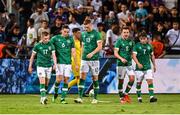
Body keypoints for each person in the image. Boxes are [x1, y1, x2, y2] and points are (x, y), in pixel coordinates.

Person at [74, 19, 102, 104]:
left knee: (95, 78)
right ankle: (80, 97)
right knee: (82, 77)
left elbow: (100, 46)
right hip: (84, 60)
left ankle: (95, 98)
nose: (86, 29)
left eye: (87, 27)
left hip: (94, 60)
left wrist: (92, 53)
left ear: (91, 25)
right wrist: (81, 56)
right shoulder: (83, 34)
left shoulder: (96, 34)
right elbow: (82, 46)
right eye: (85, 27)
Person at [28, 31, 57, 105]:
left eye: (48, 38)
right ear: (41, 38)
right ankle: (43, 97)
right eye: (45, 39)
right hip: (40, 66)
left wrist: (55, 64)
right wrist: (30, 66)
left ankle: (42, 97)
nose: (47, 40)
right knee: (42, 81)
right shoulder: (37, 46)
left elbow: (53, 55)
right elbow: (32, 56)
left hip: (49, 66)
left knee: (47, 83)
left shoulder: (51, 45)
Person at [51, 25, 76, 104]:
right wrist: (53, 62)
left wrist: (75, 63)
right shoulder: (55, 38)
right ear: (61, 31)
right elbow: (49, 46)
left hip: (68, 63)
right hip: (59, 63)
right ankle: (55, 93)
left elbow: (73, 51)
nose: (66, 33)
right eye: (65, 32)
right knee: (58, 79)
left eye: (68, 32)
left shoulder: (71, 39)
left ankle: (63, 98)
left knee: (66, 80)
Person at [132, 32, 157, 103]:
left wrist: (154, 65)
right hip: (139, 68)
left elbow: (152, 56)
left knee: (150, 81)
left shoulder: (150, 46)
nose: (143, 40)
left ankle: (151, 97)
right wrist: (138, 63)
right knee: (139, 83)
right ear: (139, 39)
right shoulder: (136, 46)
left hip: (148, 67)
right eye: (141, 39)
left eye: (144, 39)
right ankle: (139, 97)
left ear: (147, 39)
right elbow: (133, 56)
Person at [114, 26, 135, 104]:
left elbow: (133, 53)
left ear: (129, 33)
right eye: (124, 32)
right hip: (120, 64)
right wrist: (121, 58)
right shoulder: (119, 41)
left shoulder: (131, 42)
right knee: (121, 81)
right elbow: (115, 53)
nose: (126, 34)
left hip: (129, 64)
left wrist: (137, 60)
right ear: (122, 33)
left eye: (127, 32)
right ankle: (121, 97)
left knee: (132, 79)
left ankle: (125, 94)